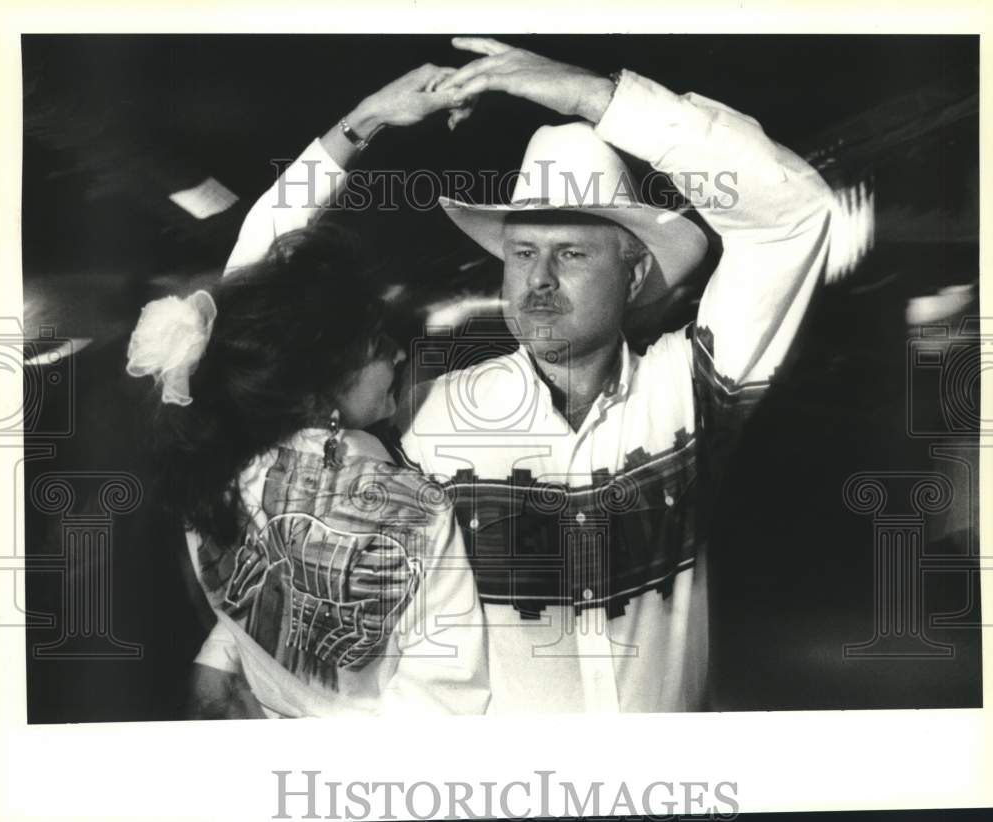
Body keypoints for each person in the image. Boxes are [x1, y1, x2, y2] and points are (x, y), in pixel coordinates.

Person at [232, 38, 833, 714]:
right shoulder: (427, 415)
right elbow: (251, 319)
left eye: (571, 252)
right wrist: (359, 124)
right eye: (522, 252)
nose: (539, 280)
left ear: (634, 273)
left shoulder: (690, 387)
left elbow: (792, 216)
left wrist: (596, 97)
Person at [126, 65, 489, 718]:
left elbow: (256, 275)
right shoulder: (413, 511)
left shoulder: (214, 461)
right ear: (322, 379)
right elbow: (444, 707)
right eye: (380, 347)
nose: (401, 355)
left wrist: (366, 118)